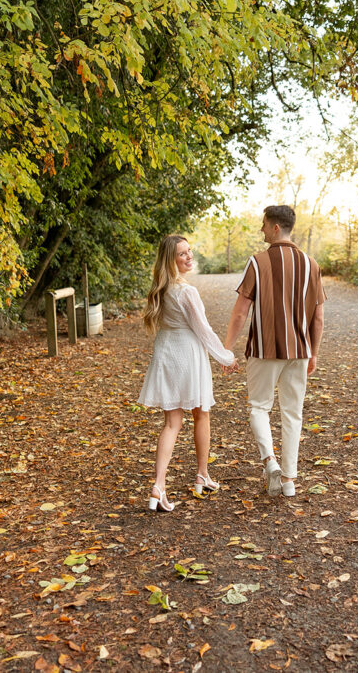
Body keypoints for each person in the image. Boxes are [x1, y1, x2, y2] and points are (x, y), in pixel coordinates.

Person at [223, 205, 325, 497]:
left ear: (276, 228)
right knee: (293, 413)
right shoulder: (311, 264)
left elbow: (241, 311)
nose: (262, 229)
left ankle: (270, 462)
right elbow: (318, 318)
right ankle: (289, 481)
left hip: (263, 349)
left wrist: (226, 349)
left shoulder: (257, 262)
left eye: (264, 225)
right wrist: (314, 353)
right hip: (299, 351)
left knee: (259, 407)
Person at [138, 235, 238, 512]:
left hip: (166, 352)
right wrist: (226, 357)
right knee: (201, 413)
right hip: (188, 355)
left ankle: (159, 485)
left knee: (172, 423)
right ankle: (202, 475)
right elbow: (203, 330)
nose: (189, 256)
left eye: (189, 251)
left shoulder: (161, 288)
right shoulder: (186, 291)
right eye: (182, 254)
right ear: (171, 260)